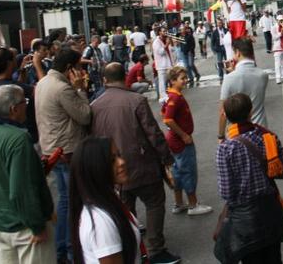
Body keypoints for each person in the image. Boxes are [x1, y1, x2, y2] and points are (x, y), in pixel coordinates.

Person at [90, 63, 181, 264]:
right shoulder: (136, 100)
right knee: (154, 203)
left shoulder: (94, 106)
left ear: (105, 80)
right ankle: (155, 248)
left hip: (112, 168)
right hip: (142, 163)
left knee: (124, 206)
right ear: (124, 77)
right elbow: (153, 133)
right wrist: (166, 159)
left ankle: (129, 246)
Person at [0, 85, 56, 263]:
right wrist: (37, 225)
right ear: (14, 109)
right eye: (24, 102)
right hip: (23, 227)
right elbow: (21, 190)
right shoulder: (18, 138)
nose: (26, 105)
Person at [215, 93, 283, 263]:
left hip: (245, 218)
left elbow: (227, 192)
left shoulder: (225, 149)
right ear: (251, 112)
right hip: (270, 209)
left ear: (227, 118)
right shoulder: (268, 137)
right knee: (274, 257)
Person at [36, 48, 92, 263]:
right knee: (73, 202)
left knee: (65, 201)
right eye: (78, 67)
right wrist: (80, 90)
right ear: (70, 68)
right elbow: (84, 115)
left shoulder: (43, 83)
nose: (81, 71)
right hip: (67, 150)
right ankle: (70, 250)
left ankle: (62, 249)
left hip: (52, 150)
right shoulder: (62, 88)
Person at [70, 137, 141, 264]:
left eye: (119, 155)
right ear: (95, 168)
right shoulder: (100, 222)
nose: (121, 162)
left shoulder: (106, 201)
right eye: (112, 160)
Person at [160, 66, 213, 216]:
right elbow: (168, 119)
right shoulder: (175, 97)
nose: (185, 80)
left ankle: (179, 203)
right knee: (188, 171)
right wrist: (183, 135)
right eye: (182, 78)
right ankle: (192, 204)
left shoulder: (170, 95)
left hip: (173, 140)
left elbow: (163, 114)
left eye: (185, 77)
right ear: (172, 81)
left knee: (177, 171)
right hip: (180, 142)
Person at [218, 38, 269, 142]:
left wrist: (221, 136)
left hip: (237, 134)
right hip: (260, 130)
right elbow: (250, 76)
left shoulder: (229, 78)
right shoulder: (263, 75)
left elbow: (223, 112)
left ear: (237, 52)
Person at [151, 28, 174, 100]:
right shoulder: (156, 42)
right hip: (162, 66)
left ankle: (170, 94)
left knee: (170, 80)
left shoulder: (165, 39)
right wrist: (167, 44)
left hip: (169, 64)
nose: (165, 32)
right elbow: (161, 52)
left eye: (166, 31)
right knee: (162, 83)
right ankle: (163, 97)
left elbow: (172, 49)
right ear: (159, 32)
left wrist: (171, 42)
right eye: (164, 31)